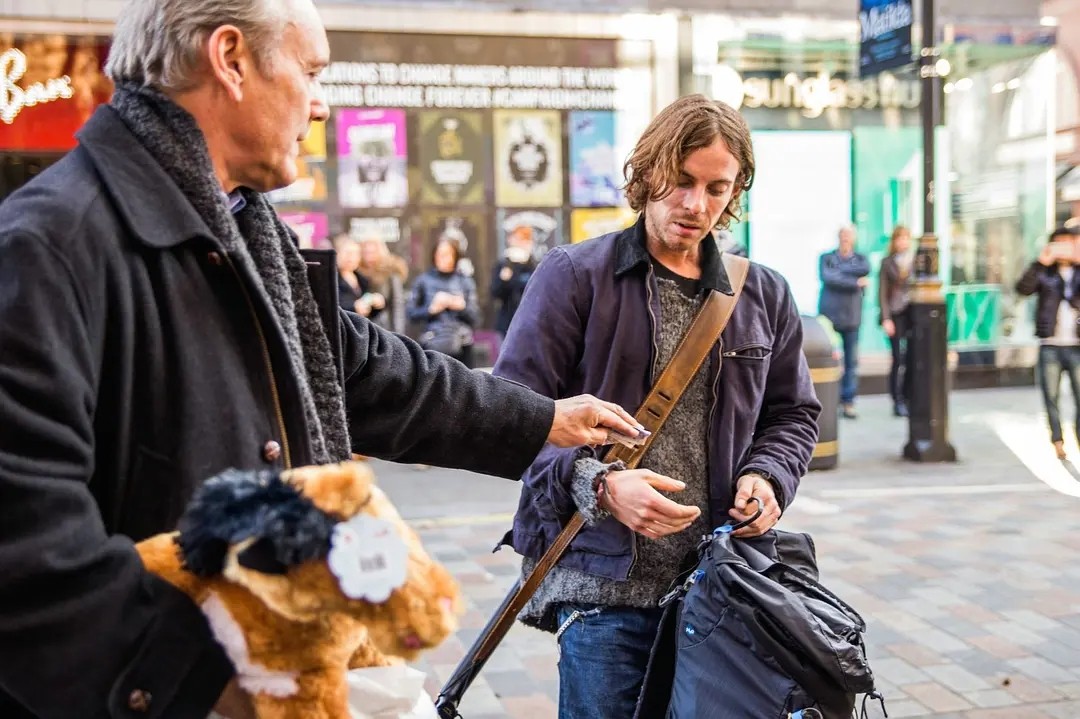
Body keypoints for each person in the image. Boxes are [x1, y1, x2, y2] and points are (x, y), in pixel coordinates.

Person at [0, 1, 643, 717]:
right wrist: (214, 684)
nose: (321, 105)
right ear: (231, 58)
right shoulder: (48, 246)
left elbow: (371, 371)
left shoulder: (244, 233)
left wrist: (543, 417)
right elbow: (26, 548)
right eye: (309, 71)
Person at [493, 94, 821, 719]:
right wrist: (602, 486)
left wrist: (768, 476)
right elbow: (512, 417)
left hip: (724, 583)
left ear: (736, 191)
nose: (696, 205)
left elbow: (793, 413)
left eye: (717, 188)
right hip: (603, 584)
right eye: (681, 182)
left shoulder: (765, 292)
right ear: (647, 174)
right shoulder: (573, 275)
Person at [1016, 227, 1080, 459]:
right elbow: (1022, 289)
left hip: (1076, 345)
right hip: (1050, 344)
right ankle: (1057, 440)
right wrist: (1039, 264)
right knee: (1050, 396)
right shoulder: (1045, 272)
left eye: (1068, 243)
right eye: (1058, 243)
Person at [818, 225, 871, 419]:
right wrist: (855, 281)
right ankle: (827, 399)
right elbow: (828, 277)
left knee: (851, 362)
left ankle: (848, 401)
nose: (846, 238)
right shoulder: (827, 258)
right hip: (829, 316)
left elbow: (864, 270)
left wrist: (840, 273)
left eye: (849, 235)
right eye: (843, 235)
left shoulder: (862, 260)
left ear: (854, 238)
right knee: (828, 359)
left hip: (852, 317)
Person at [408, 237, 480, 367]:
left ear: (455, 256)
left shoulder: (465, 281)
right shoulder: (423, 281)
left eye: (448, 254)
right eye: (440, 254)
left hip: (462, 344)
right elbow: (411, 314)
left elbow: (476, 318)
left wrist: (461, 307)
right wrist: (431, 309)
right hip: (432, 341)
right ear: (434, 256)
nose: (444, 258)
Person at [878, 225, 913, 417]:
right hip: (894, 314)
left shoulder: (916, 261)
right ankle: (897, 399)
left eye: (906, 238)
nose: (903, 242)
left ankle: (908, 396)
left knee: (911, 357)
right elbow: (882, 293)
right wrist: (886, 318)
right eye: (900, 238)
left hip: (911, 314)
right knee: (897, 358)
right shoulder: (887, 262)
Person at [490, 225, 538, 337]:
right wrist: (505, 277)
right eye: (516, 239)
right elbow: (495, 292)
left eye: (523, 240)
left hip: (530, 321)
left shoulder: (534, 265)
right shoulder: (504, 264)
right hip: (507, 322)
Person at [357, 235, 409, 334]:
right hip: (363, 327)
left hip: (385, 327)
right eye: (366, 253)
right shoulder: (357, 273)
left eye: (372, 252)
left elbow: (397, 304)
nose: (369, 257)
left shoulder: (390, 272)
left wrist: (398, 334)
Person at [334, 233, 384, 318]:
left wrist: (376, 304)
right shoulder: (331, 279)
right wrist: (353, 307)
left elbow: (369, 314)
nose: (351, 258)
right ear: (337, 254)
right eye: (348, 253)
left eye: (355, 254)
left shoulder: (362, 279)